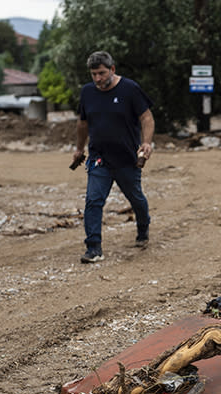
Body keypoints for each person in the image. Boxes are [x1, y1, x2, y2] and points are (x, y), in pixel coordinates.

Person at [72, 50, 155, 263]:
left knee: (136, 198)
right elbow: (82, 124)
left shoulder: (130, 89)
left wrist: (146, 142)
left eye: (101, 73)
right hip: (99, 158)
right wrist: (79, 148)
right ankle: (93, 248)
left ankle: (143, 228)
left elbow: (146, 117)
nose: (98, 78)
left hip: (127, 159)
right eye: (93, 74)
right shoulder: (88, 92)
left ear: (112, 69)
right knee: (93, 200)